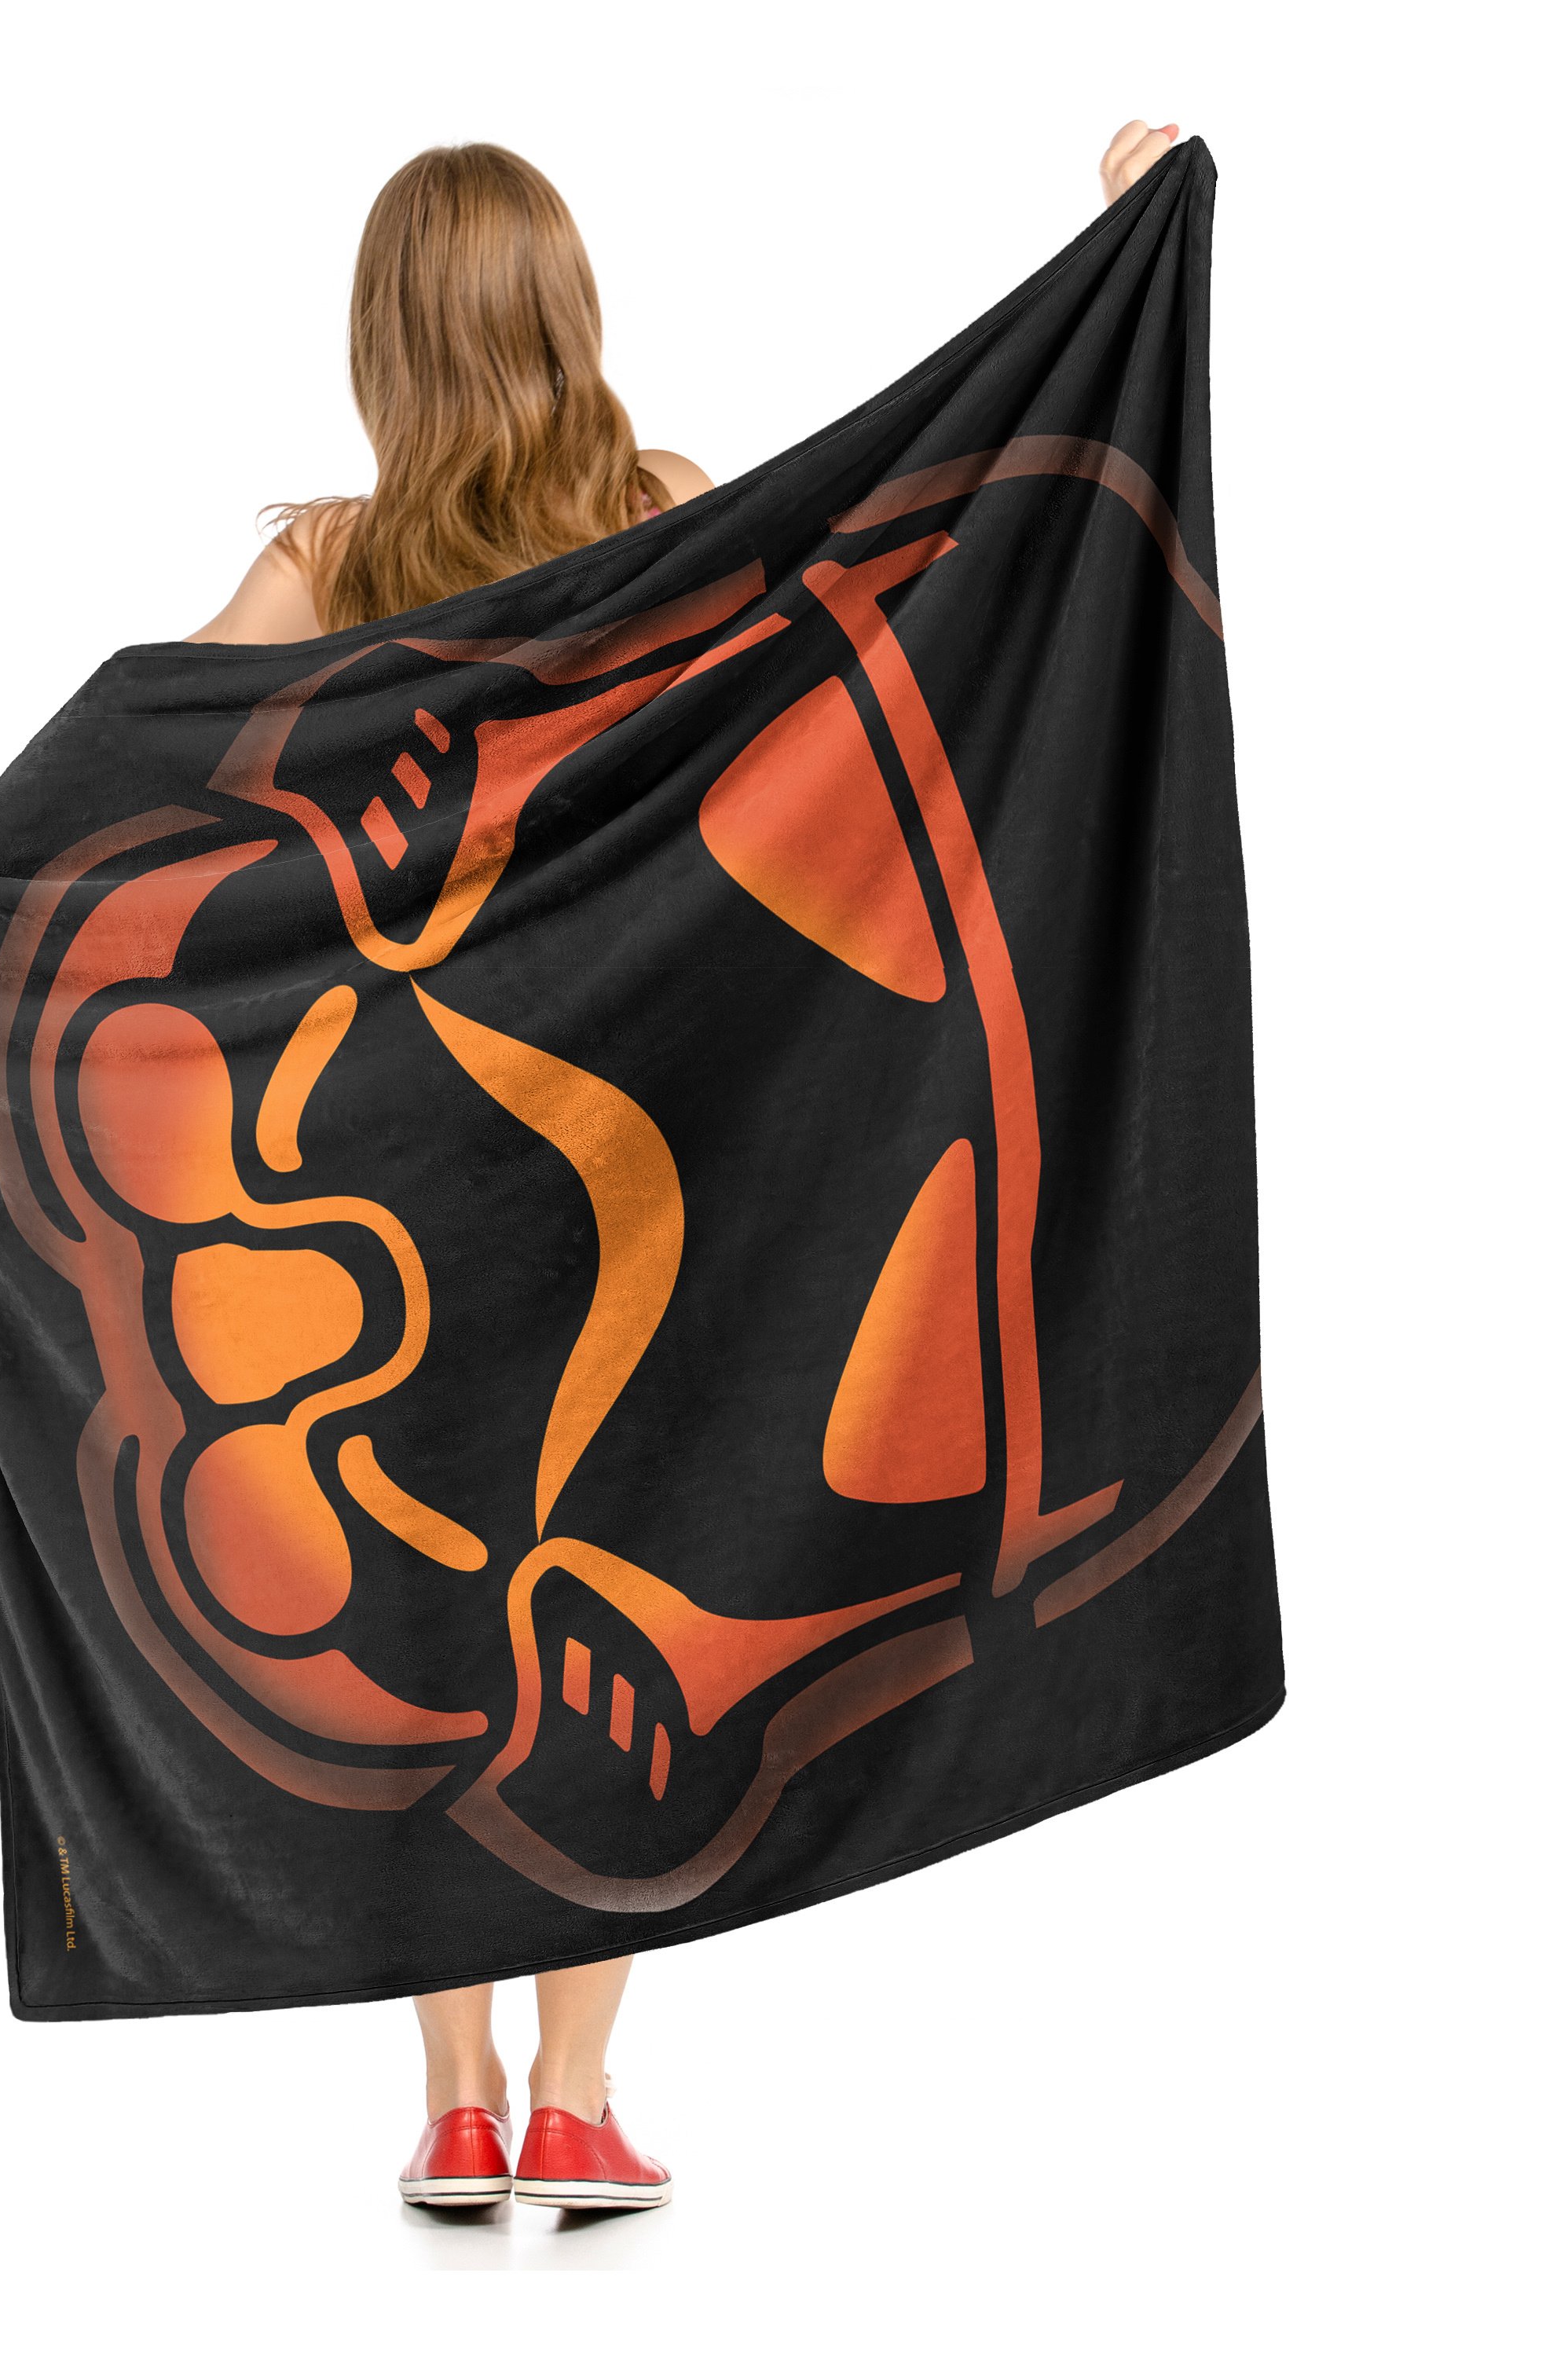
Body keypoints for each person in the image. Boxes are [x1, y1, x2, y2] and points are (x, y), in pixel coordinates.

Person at [188, 119, 1183, 2214]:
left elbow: (156, 815)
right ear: (568, 309)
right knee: (622, 1585)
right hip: (650, 1142)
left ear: (381, 340)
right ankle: (574, 2094)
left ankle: (457, 2102)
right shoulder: (663, 514)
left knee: (437, 1629)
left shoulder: (321, 564)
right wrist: (1119, 260)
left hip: (405, 1176)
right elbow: (903, 618)